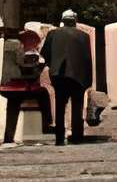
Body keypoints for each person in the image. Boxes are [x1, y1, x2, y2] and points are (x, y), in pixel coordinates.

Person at [41, 10, 95, 145]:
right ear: (75, 21)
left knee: (60, 105)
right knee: (77, 105)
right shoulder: (84, 36)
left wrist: (52, 66)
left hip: (59, 74)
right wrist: (89, 79)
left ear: (63, 20)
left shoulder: (52, 34)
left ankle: (59, 137)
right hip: (78, 76)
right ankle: (77, 136)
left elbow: (45, 54)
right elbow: (87, 59)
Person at [0, 25, 46, 144]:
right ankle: (44, 126)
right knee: (16, 107)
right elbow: (21, 61)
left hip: (3, 80)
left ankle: (8, 137)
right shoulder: (16, 44)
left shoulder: (0, 44)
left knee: (11, 109)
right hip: (15, 81)